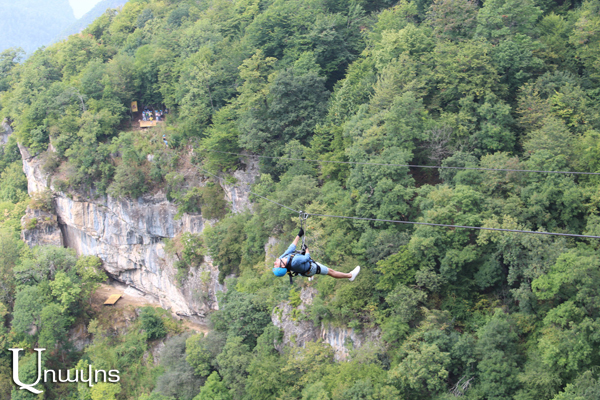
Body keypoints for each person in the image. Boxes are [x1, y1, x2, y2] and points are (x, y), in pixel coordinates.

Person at [272, 228, 360, 281]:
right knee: (330, 271)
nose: (274, 263)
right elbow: (307, 258)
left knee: (303, 268)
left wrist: (299, 235)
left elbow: (291, 248)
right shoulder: (295, 261)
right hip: (311, 269)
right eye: (276, 265)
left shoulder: (282, 258)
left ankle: (309, 276)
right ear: (283, 266)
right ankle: (350, 276)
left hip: (302, 270)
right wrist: (306, 249)